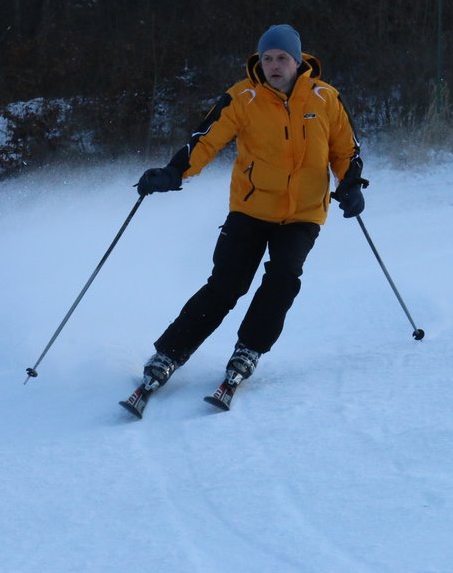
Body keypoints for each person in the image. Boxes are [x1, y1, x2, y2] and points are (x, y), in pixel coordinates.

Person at [133, 23, 368, 394]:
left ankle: (249, 349)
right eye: (267, 58)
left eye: (282, 58)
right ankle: (169, 353)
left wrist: (351, 185)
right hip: (250, 208)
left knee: (283, 278)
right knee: (226, 285)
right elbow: (207, 139)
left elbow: (345, 150)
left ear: (297, 60)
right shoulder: (243, 97)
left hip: (304, 213)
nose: (274, 65)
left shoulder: (325, 98)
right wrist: (174, 172)